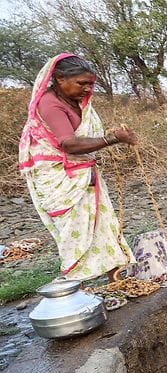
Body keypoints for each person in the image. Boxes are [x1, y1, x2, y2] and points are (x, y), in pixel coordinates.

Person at [18, 53, 138, 281]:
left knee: (104, 227)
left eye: (91, 84)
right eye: (82, 83)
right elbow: (69, 143)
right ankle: (76, 288)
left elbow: (82, 136)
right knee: (75, 234)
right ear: (60, 79)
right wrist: (112, 139)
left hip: (83, 172)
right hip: (61, 178)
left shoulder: (75, 101)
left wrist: (108, 136)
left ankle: (118, 279)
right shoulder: (50, 104)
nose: (87, 89)